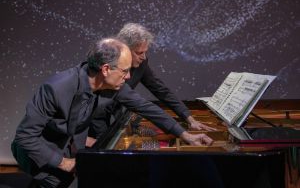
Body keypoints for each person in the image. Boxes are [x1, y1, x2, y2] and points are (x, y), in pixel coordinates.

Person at [11, 37, 213, 188]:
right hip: (39, 150)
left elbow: (146, 107)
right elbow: (25, 137)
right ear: (106, 69)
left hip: (69, 145)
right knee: (57, 182)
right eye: (124, 71)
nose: (128, 77)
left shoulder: (113, 86)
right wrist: (64, 163)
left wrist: (185, 135)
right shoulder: (56, 88)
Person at [88, 23, 216, 146]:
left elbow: (161, 90)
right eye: (139, 53)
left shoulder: (141, 63)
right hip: (92, 121)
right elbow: (139, 104)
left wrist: (188, 118)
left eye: (145, 52)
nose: (144, 57)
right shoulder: (109, 66)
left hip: (115, 118)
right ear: (125, 50)